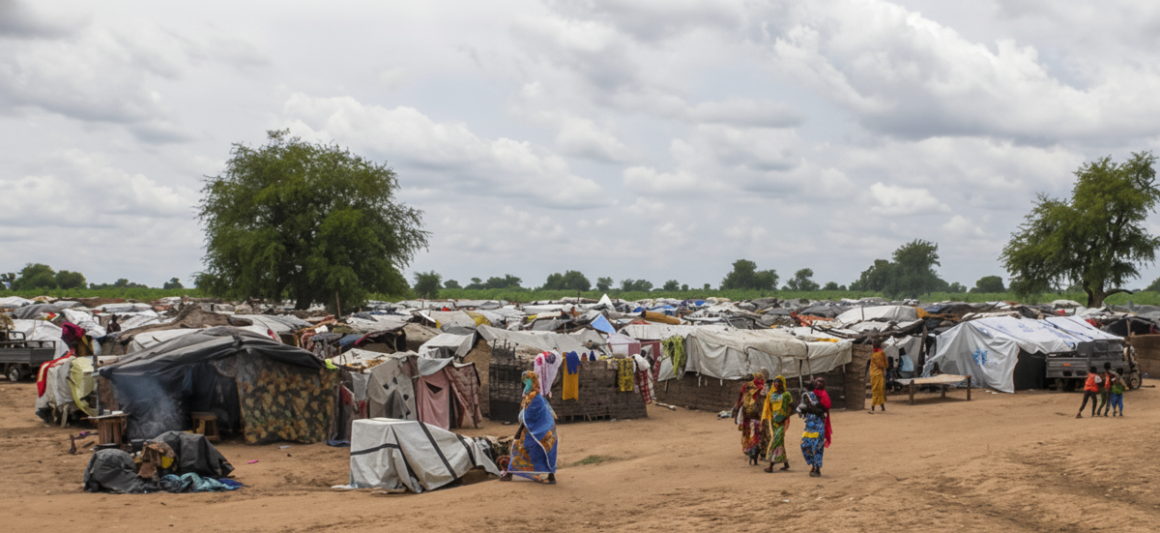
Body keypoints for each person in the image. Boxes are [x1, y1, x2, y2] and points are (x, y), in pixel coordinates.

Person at [500, 371, 558, 484]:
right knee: (539, 450)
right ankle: (550, 475)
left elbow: (529, 415)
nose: (525, 384)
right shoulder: (537, 396)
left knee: (520, 447)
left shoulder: (533, 397)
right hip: (543, 429)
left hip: (539, 431)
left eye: (526, 381)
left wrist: (520, 430)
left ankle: (510, 473)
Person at [732, 371, 768, 465]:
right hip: (759, 414)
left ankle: (749, 449)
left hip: (746, 413)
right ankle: (762, 453)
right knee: (761, 433)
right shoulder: (763, 387)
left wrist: (736, 408)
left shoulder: (745, 386)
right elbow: (766, 400)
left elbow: (740, 399)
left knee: (748, 431)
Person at [762, 375, 792, 473]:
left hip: (782, 421)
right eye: (775, 382)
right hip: (774, 422)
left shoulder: (787, 395)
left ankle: (771, 466)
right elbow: (768, 407)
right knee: (779, 442)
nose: (777, 384)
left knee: (775, 441)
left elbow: (793, 406)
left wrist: (787, 415)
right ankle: (786, 463)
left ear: (783, 383)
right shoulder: (771, 395)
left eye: (779, 382)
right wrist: (766, 418)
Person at [797, 380, 827, 477]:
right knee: (805, 445)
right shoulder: (806, 399)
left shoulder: (819, 397)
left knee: (816, 447)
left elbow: (822, 408)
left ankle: (816, 468)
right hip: (809, 425)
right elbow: (802, 409)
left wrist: (807, 408)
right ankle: (814, 465)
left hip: (817, 424)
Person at [813, 376, 834, 450]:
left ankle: (819, 445)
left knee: (821, 431)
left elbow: (828, 405)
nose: (819, 383)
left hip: (822, 415)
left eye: (820, 382)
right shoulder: (813, 392)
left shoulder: (824, 393)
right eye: (817, 381)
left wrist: (820, 405)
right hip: (813, 416)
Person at [869, 339, 887, 413]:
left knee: (874, 390)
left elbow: (871, 365)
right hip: (879, 374)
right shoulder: (881, 353)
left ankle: (873, 406)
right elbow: (882, 364)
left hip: (872, 374)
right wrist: (884, 368)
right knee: (880, 390)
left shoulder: (873, 354)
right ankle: (881, 406)